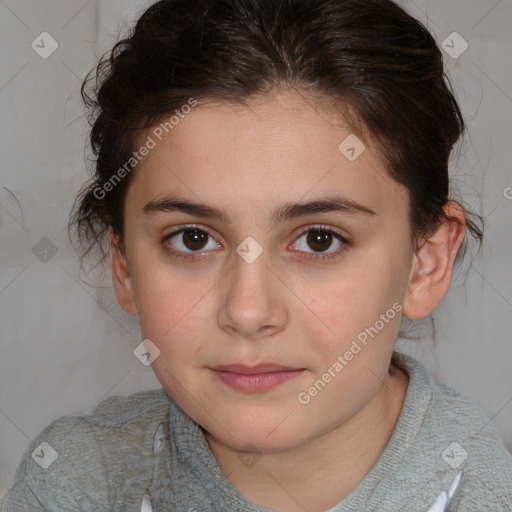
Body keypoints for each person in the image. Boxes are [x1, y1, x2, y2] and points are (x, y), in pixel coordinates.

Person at [2, 0, 511, 510]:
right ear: (124, 264)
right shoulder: (73, 482)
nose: (248, 312)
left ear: (425, 263)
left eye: (319, 240)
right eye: (193, 239)